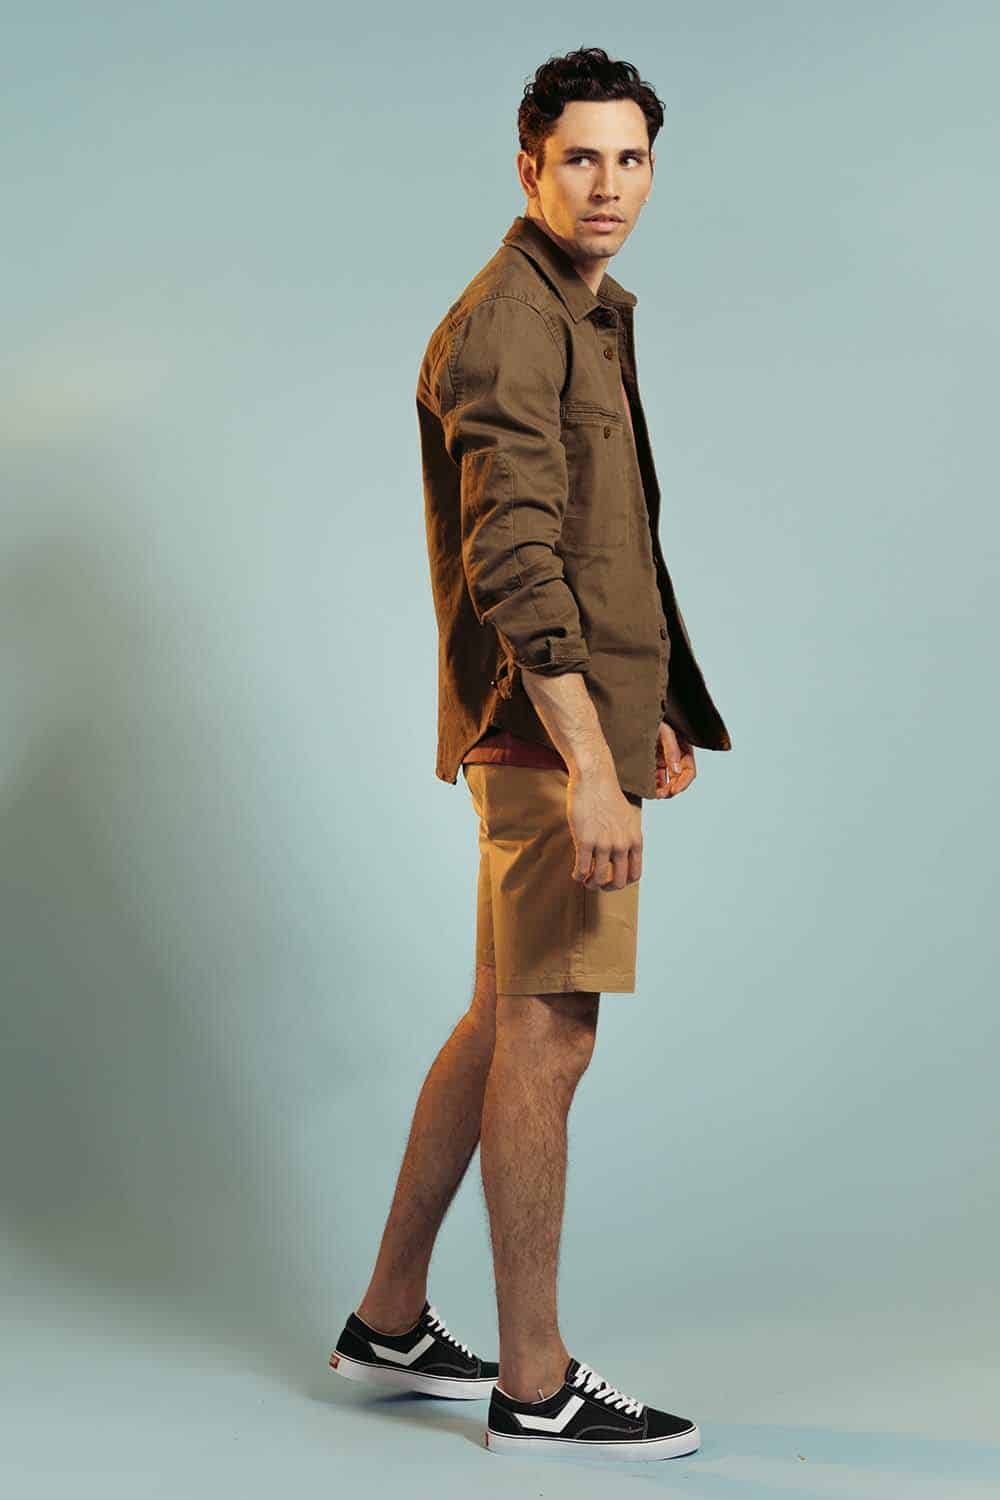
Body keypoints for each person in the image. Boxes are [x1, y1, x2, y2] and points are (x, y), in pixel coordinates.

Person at [331, 46, 732, 1463]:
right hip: (543, 737)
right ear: (529, 167)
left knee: (504, 1015)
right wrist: (591, 766)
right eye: (580, 158)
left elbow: (601, 545)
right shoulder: (514, 320)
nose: (607, 183)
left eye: (631, 158)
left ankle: (390, 1320)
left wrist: (647, 709)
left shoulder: (581, 311)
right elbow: (515, 559)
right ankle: (535, 1383)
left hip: (564, 724)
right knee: (552, 1033)